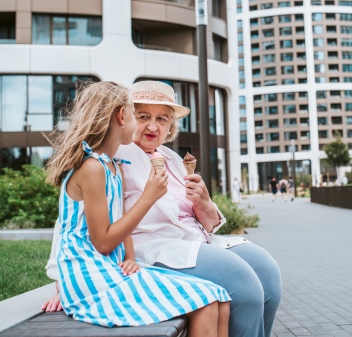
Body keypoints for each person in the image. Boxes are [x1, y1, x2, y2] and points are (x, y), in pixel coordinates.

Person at [44, 81, 282, 337]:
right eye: (143, 116)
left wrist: (205, 204)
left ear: (171, 126)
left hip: (196, 240)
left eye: (163, 119)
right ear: (124, 116)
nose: (153, 126)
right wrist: (62, 279)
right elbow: (73, 218)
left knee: (268, 275)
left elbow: (208, 223)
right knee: (244, 287)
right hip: (155, 247)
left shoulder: (173, 159)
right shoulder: (115, 153)